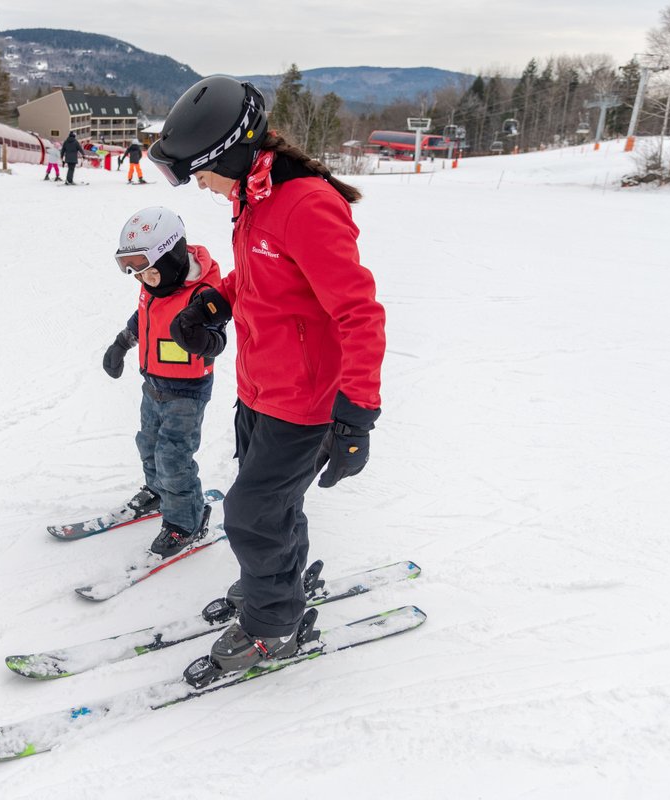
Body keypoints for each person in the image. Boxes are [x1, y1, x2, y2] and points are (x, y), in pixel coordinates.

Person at [149, 76, 386, 673]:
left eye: (196, 172)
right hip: (259, 389)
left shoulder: (305, 204)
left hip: (305, 403)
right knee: (273, 508)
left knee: (251, 513)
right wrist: (215, 300)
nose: (196, 184)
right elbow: (263, 280)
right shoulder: (255, 196)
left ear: (226, 154)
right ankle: (276, 581)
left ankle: (273, 624)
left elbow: (359, 313)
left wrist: (357, 415)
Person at [102, 206, 228, 558]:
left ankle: (187, 520)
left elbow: (219, 336)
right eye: (139, 277)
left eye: (150, 274)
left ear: (172, 259)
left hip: (187, 393)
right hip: (153, 384)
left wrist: (204, 340)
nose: (144, 283)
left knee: (174, 457)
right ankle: (159, 492)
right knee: (149, 444)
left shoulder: (203, 295)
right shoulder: (153, 284)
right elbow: (141, 317)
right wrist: (120, 344)